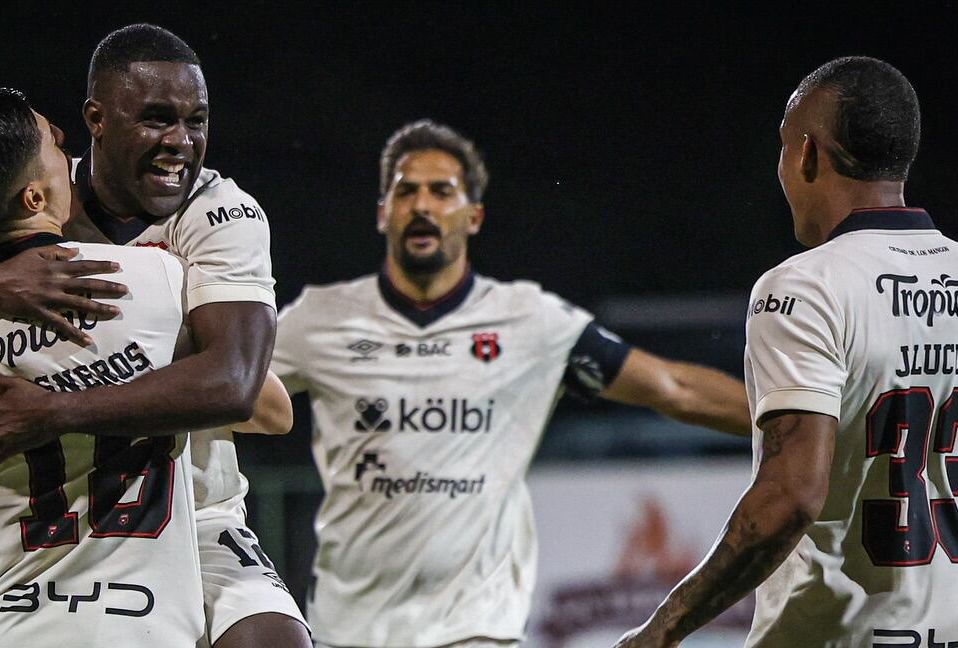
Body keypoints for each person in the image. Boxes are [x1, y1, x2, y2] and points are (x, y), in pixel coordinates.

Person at [0, 23, 310, 648]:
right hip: (40, 512)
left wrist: (54, 412)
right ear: (96, 119)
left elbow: (250, 393)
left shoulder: (217, 212)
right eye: (157, 119)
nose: (181, 142)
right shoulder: (17, 195)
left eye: (196, 120)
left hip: (188, 505)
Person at [269, 119, 753, 648]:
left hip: (476, 633)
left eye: (441, 191)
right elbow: (228, 390)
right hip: (347, 632)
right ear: (383, 212)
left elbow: (673, 387)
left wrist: (794, 421)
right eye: (406, 191)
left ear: (473, 216)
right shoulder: (320, 319)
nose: (422, 205)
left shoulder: (529, 321)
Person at [614, 56, 958, 648]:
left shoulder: (806, 286)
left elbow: (791, 496)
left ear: (805, 154)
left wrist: (661, 629)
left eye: (782, 145)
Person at [0, 86, 205, 647]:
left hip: (6, 627)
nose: (66, 141)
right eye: (52, 143)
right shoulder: (151, 280)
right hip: (144, 624)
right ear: (34, 198)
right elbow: (256, 398)